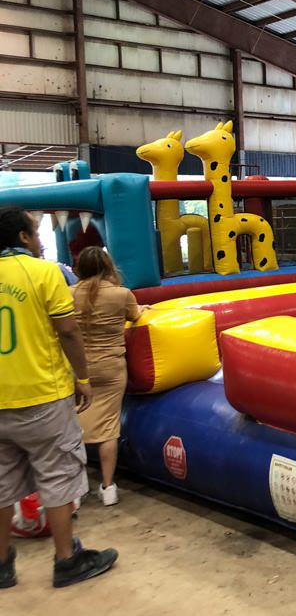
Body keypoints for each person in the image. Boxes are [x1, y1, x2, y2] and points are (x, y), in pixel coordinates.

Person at [0, 206, 118, 589]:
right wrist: (82, 378)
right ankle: (66, 559)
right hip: (41, 394)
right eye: (35, 233)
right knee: (58, 475)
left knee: (1, 483)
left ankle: (2, 564)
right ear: (22, 237)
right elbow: (67, 331)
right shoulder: (43, 273)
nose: (39, 240)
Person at [71, 246, 145, 506]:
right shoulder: (121, 294)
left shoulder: (69, 294)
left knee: (73, 428)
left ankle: (75, 491)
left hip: (78, 369)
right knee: (108, 428)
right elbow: (135, 316)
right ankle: (108, 486)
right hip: (111, 367)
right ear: (107, 267)